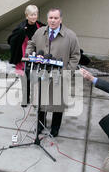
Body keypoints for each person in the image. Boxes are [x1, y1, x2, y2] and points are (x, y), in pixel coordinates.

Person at [25, 8, 81, 137]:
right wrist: (29, 55)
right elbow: (31, 44)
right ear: (47, 19)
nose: (53, 20)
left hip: (60, 75)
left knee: (58, 102)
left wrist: (68, 71)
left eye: (56, 18)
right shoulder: (40, 32)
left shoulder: (70, 36)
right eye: (50, 18)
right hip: (41, 73)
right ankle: (40, 124)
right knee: (41, 100)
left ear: (61, 19)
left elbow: (75, 56)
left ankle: (55, 127)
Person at [8, 5, 45, 75]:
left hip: (35, 49)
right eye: (31, 15)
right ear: (27, 16)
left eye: (35, 14)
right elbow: (11, 39)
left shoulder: (40, 25)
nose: (34, 17)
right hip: (23, 49)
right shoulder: (21, 28)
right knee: (23, 69)